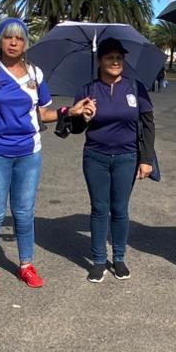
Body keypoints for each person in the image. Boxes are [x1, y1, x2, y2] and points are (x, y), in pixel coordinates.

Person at [0, 18, 68, 294]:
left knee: (24, 214)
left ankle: (26, 265)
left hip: (29, 153)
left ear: (26, 43)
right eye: (8, 38)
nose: (14, 43)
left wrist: (67, 112)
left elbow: (45, 113)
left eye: (20, 38)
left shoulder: (35, 74)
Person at [58, 37, 155, 282]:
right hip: (95, 157)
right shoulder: (87, 90)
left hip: (127, 157)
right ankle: (99, 260)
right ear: (99, 61)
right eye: (110, 57)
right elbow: (77, 129)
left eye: (119, 58)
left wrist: (146, 159)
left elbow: (147, 124)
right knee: (100, 209)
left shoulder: (136, 88)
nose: (115, 62)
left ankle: (119, 258)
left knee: (120, 209)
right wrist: (84, 117)